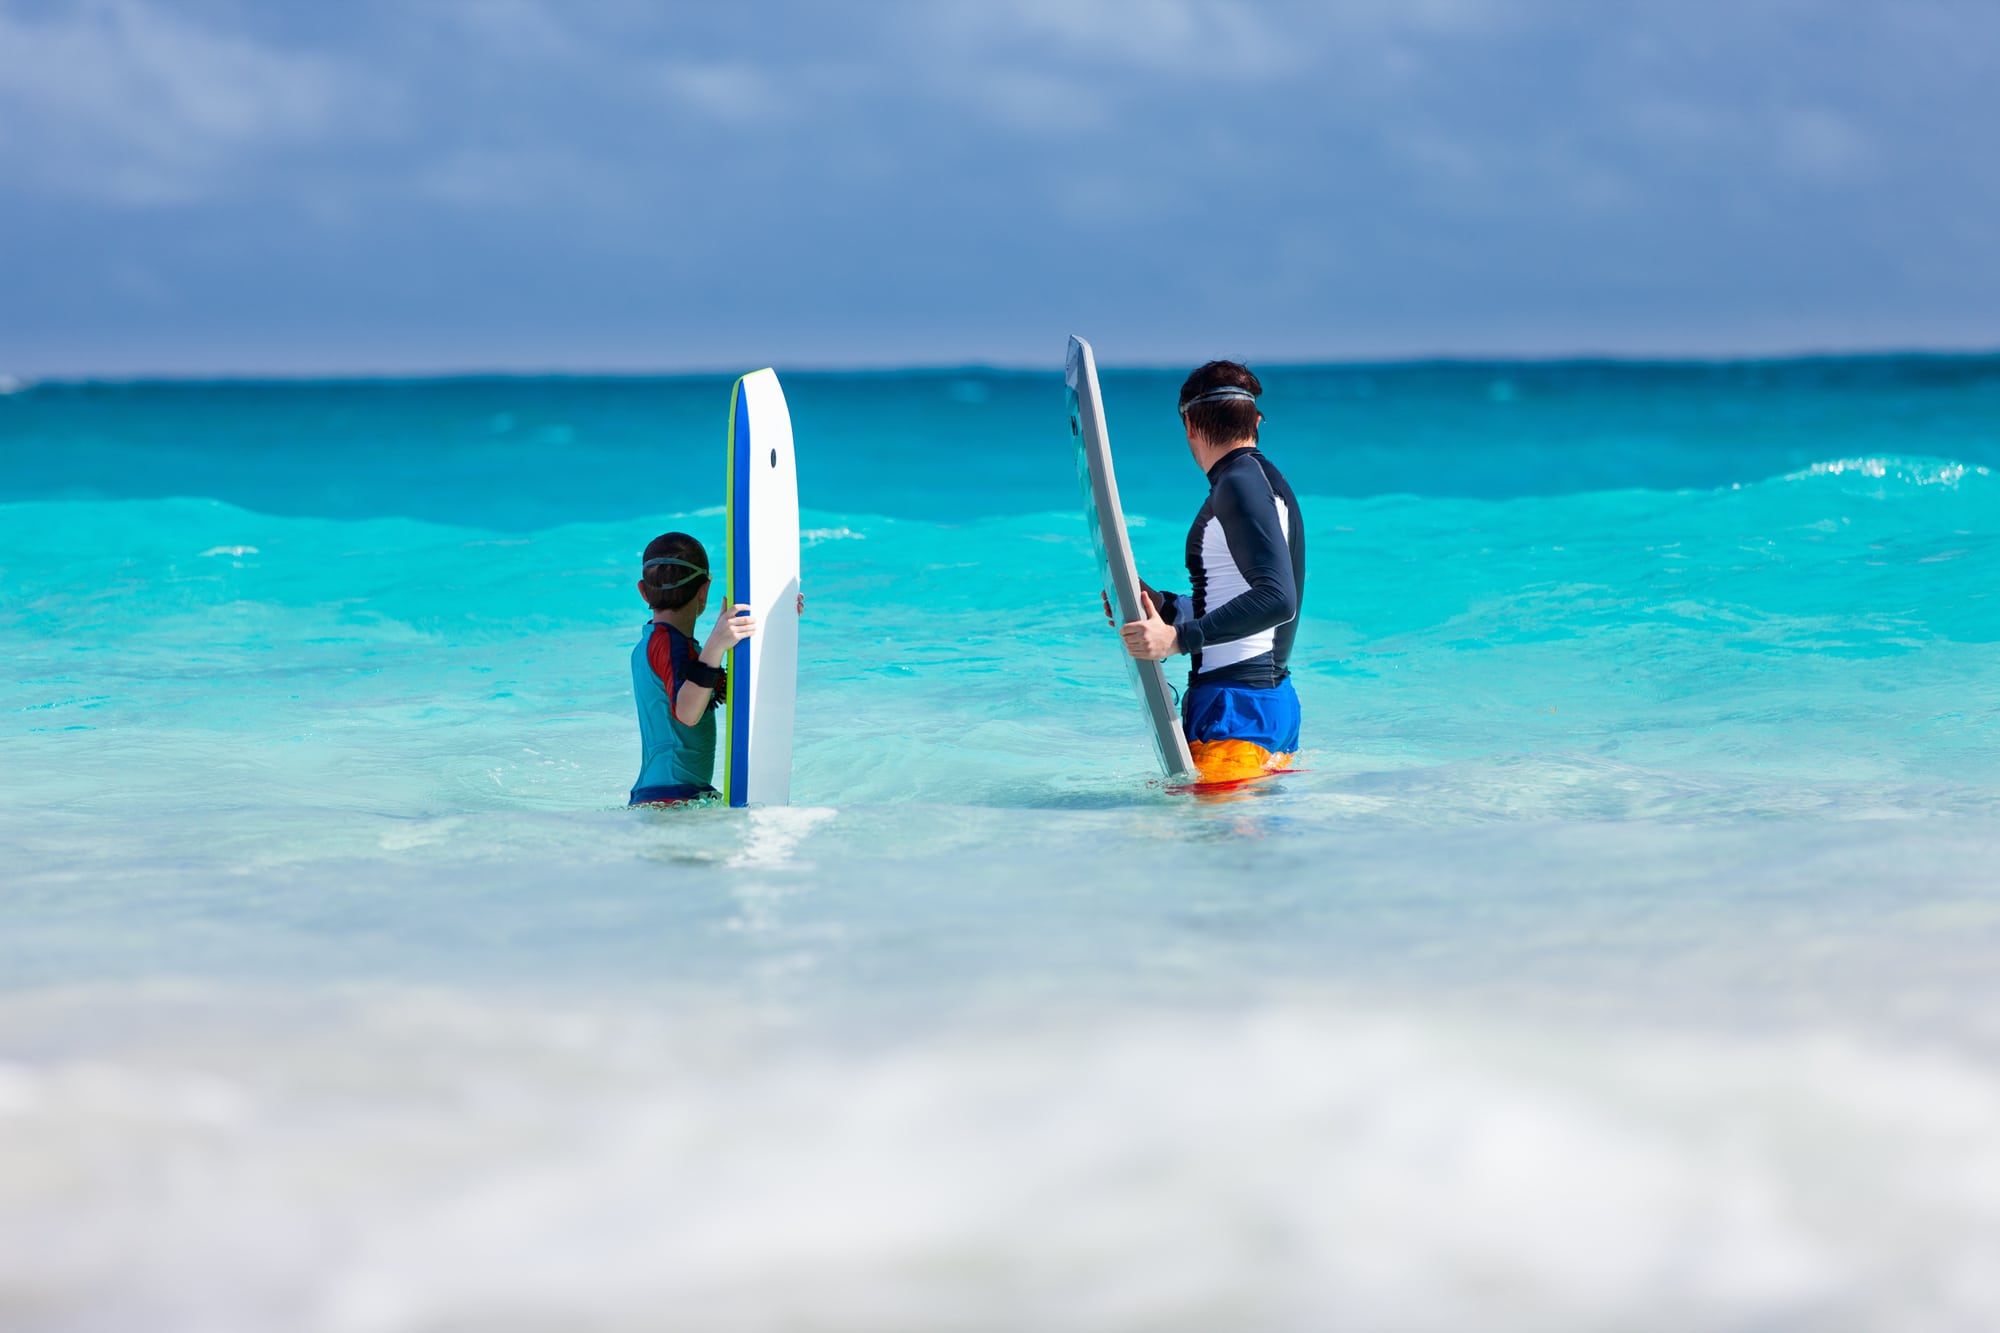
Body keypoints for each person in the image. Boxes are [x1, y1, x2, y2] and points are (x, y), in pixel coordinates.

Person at [1117, 360, 1305, 784]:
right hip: (1258, 707)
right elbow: (1235, 597)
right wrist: (1164, 608)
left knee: (1213, 842)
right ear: (1256, 421)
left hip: (1237, 715)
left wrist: (1179, 639)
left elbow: (1277, 599)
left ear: (1190, 425)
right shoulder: (1263, 482)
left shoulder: (1239, 485)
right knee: (1224, 843)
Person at [629, 532, 755, 806]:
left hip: (664, 798)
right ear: (704, 590)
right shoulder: (668, 644)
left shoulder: (654, 644)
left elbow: (714, 690)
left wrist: (781, 615)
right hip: (671, 799)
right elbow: (686, 712)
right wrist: (715, 644)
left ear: (642, 590)